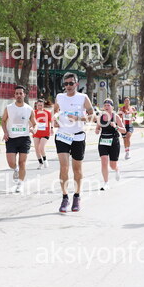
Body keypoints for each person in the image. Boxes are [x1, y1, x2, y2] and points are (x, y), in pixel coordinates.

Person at [54, 72, 94, 213]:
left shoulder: (83, 97)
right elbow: (55, 110)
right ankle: (65, 197)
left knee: (77, 169)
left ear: (76, 84)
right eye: (66, 84)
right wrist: (55, 120)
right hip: (62, 135)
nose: (68, 86)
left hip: (78, 136)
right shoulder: (60, 97)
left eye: (71, 83)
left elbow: (92, 116)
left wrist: (78, 119)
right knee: (64, 167)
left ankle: (77, 196)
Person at [2, 86, 36, 193]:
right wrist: (5, 132)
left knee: (22, 162)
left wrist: (33, 129)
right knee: (11, 163)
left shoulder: (29, 109)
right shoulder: (9, 108)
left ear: (24, 95)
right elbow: (3, 121)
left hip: (24, 138)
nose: (19, 95)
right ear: (14, 95)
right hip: (11, 138)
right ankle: (15, 169)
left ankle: (20, 184)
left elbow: (34, 123)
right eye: (17, 93)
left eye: (21, 93)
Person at [96, 98, 126, 190]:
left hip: (114, 141)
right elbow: (97, 128)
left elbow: (124, 130)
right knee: (104, 161)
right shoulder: (100, 117)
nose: (106, 107)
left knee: (112, 165)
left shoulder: (116, 117)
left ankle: (116, 169)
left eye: (108, 105)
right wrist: (97, 130)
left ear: (112, 107)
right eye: (105, 105)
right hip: (103, 141)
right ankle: (106, 183)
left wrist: (116, 127)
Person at [33, 99, 53, 169]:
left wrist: (52, 128)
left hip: (45, 133)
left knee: (41, 148)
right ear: (36, 105)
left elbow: (51, 121)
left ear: (43, 105)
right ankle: (40, 162)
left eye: (41, 105)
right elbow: (31, 122)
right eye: (38, 105)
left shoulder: (47, 113)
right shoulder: (34, 113)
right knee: (36, 149)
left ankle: (45, 160)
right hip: (36, 133)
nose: (39, 107)